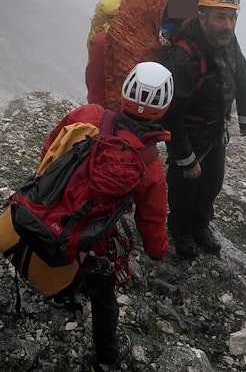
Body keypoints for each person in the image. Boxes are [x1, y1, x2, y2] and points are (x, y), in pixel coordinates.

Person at [43, 61, 174, 370]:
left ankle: (61, 293)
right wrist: (158, 251)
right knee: (103, 299)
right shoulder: (150, 162)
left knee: (63, 245)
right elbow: (152, 218)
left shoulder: (88, 115)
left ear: (124, 91)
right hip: (98, 236)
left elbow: (53, 147)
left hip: (57, 208)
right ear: (165, 107)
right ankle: (106, 358)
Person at [159, 0, 246, 260]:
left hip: (216, 131)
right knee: (184, 186)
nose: (228, 25)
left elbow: (240, 71)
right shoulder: (183, 56)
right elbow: (170, 113)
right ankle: (180, 230)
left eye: (233, 17)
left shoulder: (228, 41)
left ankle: (201, 226)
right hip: (188, 134)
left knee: (212, 183)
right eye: (220, 17)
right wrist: (185, 157)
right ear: (201, 16)